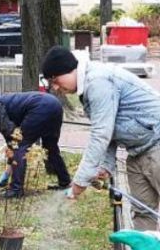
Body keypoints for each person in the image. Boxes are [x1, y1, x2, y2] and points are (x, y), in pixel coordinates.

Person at [42, 45, 160, 231]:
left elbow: (101, 133)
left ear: (70, 69)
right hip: (137, 151)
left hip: (156, 143)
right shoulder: (87, 88)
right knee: (143, 213)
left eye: (55, 79)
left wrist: (81, 181)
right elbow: (110, 129)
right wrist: (106, 165)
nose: (55, 87)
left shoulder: (98, 81)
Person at [0, 91, 71, 197]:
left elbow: (12, 134)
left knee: (20, 145)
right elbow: (11, 138)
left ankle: (16, 189)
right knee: (50, 147)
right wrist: (8, 170)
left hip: (40, 107)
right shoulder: (2, 101)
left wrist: (7, 172)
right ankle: (65, 182)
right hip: (54, 104)